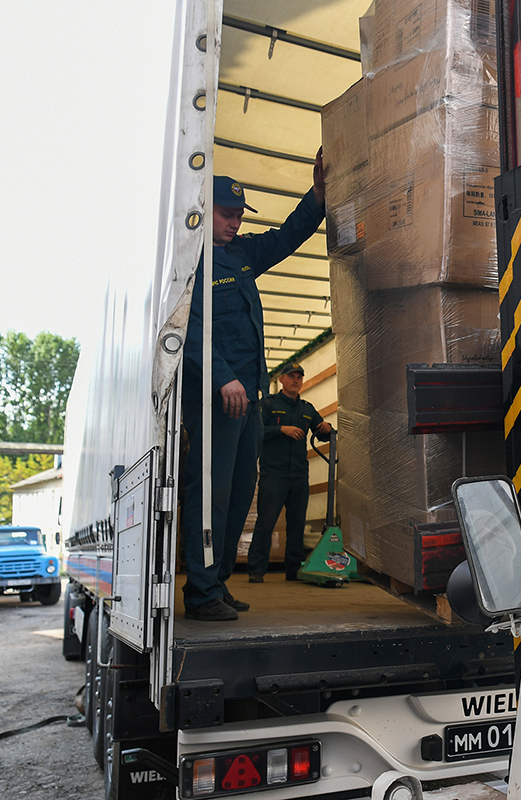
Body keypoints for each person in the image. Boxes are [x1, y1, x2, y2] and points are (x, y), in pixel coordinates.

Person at [180, 151, 326, 622]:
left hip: (251, 405)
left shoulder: (241, 255)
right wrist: (223, 378)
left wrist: (318, 197)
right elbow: (190, 329)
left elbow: (286, 238)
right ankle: (200, 592)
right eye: (227, 213)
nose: (235, 222)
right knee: (211, 495)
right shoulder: (190, 263)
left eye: (240, 215)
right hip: (215, 401)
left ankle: (218, 583)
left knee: (241, 493)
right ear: (204, 209)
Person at [247, 361, 332, 583]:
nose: (295, 380)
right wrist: (281, 429)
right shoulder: (268, 404)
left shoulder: (307, 409)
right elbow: (256, 431)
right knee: (266, 522)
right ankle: (256, 571)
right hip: (273, 474)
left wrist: (326, 429)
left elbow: (322, 433)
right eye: (291, 376)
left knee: (297, 524)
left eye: (299, 377)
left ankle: (293, 571)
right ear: (281, 380)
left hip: (298, 476)